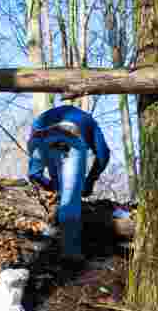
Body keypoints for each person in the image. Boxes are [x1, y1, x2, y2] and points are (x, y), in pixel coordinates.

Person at [27, 104, 111, 264]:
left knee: (37, 175)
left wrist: (53, 186)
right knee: (70, 199)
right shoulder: (89, 121)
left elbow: (35, 173)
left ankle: (53, 232)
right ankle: (70, 254)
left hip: (37, 136)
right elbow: (103, 154)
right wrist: (90, 180)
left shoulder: (49, 115)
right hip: (67, 134)